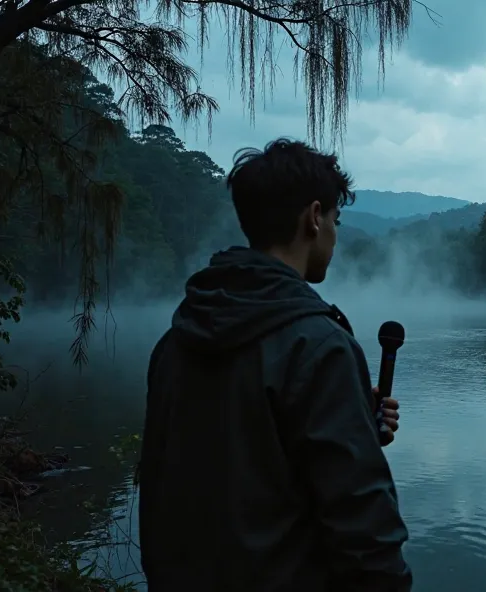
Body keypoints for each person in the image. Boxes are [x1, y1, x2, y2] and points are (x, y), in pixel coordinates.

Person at [137, 138, 413, 591]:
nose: (335, 235)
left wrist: (355, 419)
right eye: (336, 221)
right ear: (314, 217)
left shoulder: (176, 340)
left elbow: (168, 485)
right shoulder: (320, 347)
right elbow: (363, 525)